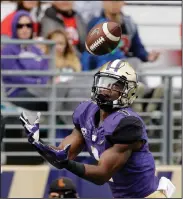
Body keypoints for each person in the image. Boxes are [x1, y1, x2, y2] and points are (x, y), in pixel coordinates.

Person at [20, 59, 175, 198]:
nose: (106, 89)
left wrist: (65, 162)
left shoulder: (128, 124)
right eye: (104, 82)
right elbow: (63, 155)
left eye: (115, 86)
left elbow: (102, 174)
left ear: (129, 91)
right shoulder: (86, 111)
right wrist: (39, 143)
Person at [1, 10, 49, 111]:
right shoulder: (8, 49)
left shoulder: (36, 49)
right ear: (14, 27)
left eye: (28, 25)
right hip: (17, 92)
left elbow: (46, 70)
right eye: (20, 26)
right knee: (52, 101)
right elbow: (15, 76)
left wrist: (41, 82)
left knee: (62, 95)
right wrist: (37, 82)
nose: (25, 29)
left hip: (40, 89)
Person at [88, 1, 160, 62]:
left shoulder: (129, 24)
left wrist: (147, 56)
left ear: (123, 2)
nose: (114, 3)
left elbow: (137, 48)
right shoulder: (96, 24)